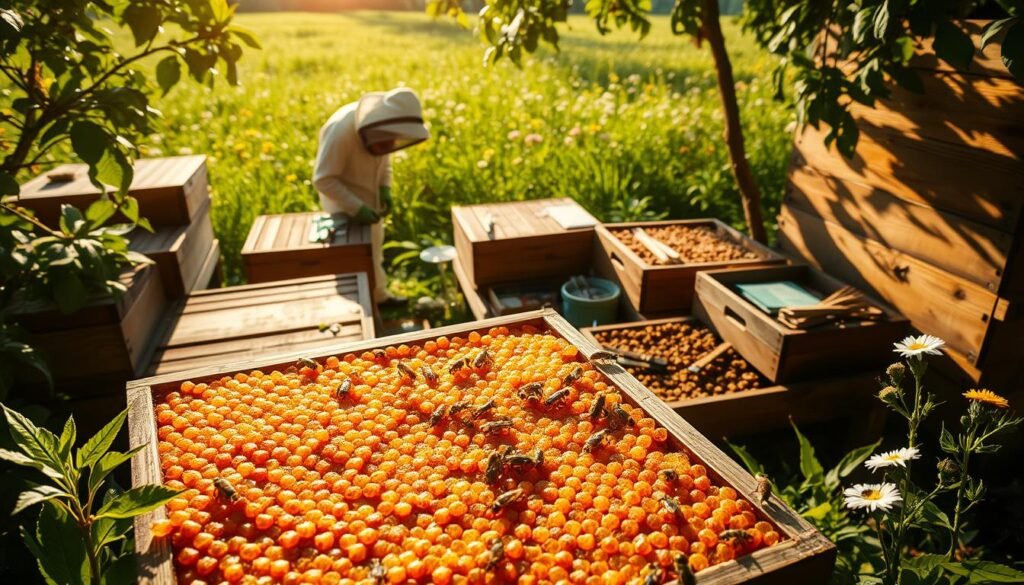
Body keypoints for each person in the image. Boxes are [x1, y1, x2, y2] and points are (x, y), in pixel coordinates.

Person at [313, 87, 429, 306]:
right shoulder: (340, 130)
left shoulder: (382, 126)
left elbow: (384, 158)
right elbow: (324, 179)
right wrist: (356, 207)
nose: (389, 146)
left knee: (375, 251)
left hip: (370, 201)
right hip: (343, 206)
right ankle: (361, 307)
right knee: (354, 263)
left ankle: (380, 297)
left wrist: (385, 187)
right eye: (385, 141)